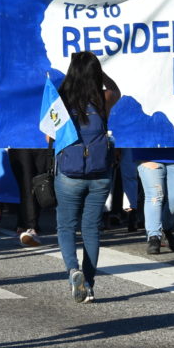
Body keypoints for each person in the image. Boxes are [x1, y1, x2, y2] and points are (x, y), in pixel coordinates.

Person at [51, 52, 120, 302]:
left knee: (66, 227)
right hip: (100, 174)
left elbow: (49, 136)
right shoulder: (103, 100)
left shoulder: (60, 101)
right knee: (91, 228)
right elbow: (116, 89)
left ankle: (73, 271)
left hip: (69, 173)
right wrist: (100, 75)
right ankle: (88, 284)